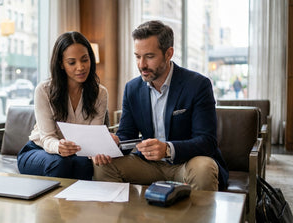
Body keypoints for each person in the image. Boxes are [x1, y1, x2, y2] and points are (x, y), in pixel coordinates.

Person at [93, 20, 228, 191]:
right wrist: (117, 142)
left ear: (168, 53)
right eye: (137, 56)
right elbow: (127, 133)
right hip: (149, 165)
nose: (142, 65)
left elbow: (207, 141)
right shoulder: (132, 89)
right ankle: (127, 216)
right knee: (103, 165)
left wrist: (168, 149)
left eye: (149, 57)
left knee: (204, 169)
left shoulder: (198, 85)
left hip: (186, 163)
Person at [17, 31, 108, 180]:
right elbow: (47, 138)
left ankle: (79, 202)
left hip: (76, 153)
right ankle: (52, 204)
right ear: (61, 64)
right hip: (39, 149)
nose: (81, 67)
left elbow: (93, 137)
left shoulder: (100, 93)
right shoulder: (44, 90)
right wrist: (59, 147)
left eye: (85, 60)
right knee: (59, 163)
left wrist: (98, 151)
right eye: (72, 62)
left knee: (84, 164)